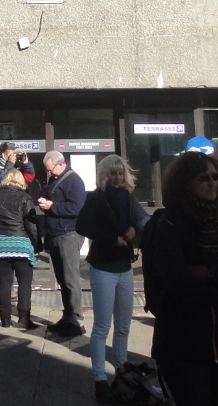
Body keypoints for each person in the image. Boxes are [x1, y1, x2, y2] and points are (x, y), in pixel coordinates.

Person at [140, 151, 218, 406]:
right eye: (203, 177)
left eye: (215, 176)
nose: (211, 182)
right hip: (183, 344)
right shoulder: (168, 224)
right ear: (185, 182)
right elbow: (179, 285)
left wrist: (210, 272)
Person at [77, 154, 151, 400]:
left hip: (125, 267)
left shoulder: (129, 197)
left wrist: (135, 229)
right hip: (103, 267)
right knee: (101, 327)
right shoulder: (96, 197)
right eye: (113, 173)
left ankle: (121, 370)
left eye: (121, 173)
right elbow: (82, 226)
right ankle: (99, 379)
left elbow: (142, 220)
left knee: (124, 326)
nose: (118, 177)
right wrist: (111, 238)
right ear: (104, 175)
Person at [37, 150, 88, 337]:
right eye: (48, 170)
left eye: (51, 170)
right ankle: (67, 318)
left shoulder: (75, 181)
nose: (49, 173)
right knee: (62, 279)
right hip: (56, 234)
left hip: (69, 234)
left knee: (70, 279)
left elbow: (76, 208)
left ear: (60, 164)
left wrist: (53, 206)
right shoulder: (53, 180)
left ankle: (77, 321)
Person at [0, 159, 42, 329]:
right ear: (21, 181)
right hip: (20, 244)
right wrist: (37, 245)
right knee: (25, 282)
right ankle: (24, 319)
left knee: (4, 282)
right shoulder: (25, 197)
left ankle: (5, 320)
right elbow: (31, 225)